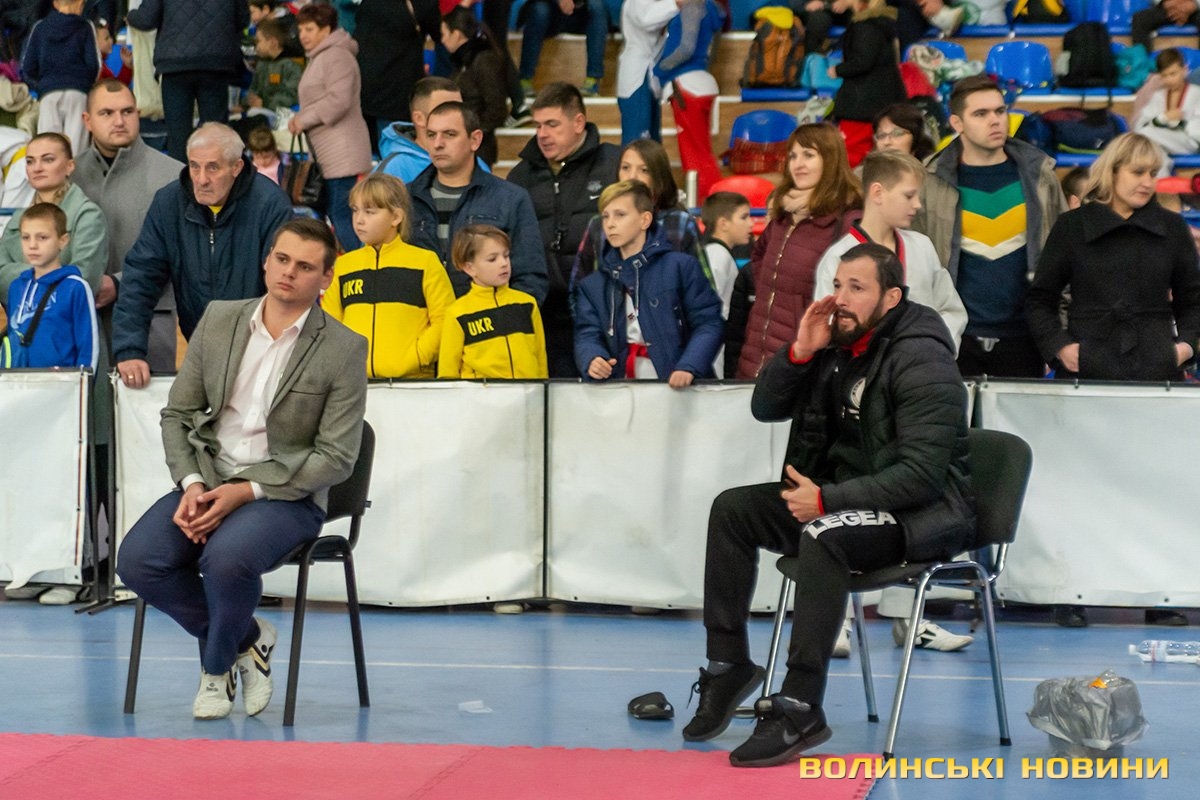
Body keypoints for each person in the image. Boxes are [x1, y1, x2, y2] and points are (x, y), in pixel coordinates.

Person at [683, 242, 973, 767]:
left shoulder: (923, 356)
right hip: (841, 499)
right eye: (838, 285)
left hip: (918, 516)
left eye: (856, 288)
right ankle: (728, 665)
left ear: (891, 298)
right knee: (732, 510)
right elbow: (765, 407)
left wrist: (826, 499)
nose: (840, 298)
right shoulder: (837, 345)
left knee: (823, 534)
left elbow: (922, 476)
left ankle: (800, 705)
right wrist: (800, 351)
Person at [115, 217, 368, 720]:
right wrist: (191, 484)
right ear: (266, 260)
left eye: (305, 267)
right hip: (208, 480)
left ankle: (215, 670)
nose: (288, 272)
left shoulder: (344, 348)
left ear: (326, 278)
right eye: (282, 259)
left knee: (226, 559)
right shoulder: (220, 318)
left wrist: (246, 491)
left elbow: (337, 456)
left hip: (285, 495)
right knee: (138, 561)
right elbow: (178, 414)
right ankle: (249, 639)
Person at [1028, 133, 1200, 630]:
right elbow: (1040, 299)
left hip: (1156, 370)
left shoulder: (1172, 228)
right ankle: (1071, 592)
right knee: (1082, 483)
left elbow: (1195, 301)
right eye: (1138, 172)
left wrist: (1185, 347)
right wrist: (1061, 347)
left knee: (1154, 483)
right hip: (1089, 366)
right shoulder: (1073, 226)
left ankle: (1161, 593)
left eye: (1153, 173)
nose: (1147, 182)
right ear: (1113, 171)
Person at [112, 122, 293, 389]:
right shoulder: (168, 203)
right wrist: (130, 349)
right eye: (194, 166)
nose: (201, 179)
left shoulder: (270, 204)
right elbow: (141, 276)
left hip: (262, 353)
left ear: (237, 167)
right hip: (201, 350)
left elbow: (285, 286)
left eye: (213, 168)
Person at [911, 75, 1066, 380]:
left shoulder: (1040, 175)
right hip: (953, 337)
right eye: (980, 114)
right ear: (957, 123)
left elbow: (1064, 256)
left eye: (999, 111)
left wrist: (1057, 331)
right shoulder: (930, 181)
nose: (995, 121)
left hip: (1025, 336)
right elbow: (917, 263)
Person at [506, 82, 619, 377]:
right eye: (538, 125)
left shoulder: (615, 165)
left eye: (552, 124)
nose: (542, 134)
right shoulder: (520, 177)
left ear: (578, 122)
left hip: (602, 313)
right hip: (542, 316)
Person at [734, 123, 863, 380]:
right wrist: (774, 292)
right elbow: (759, 257)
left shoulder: (847, 220)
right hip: (755, 360)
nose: (798, 164)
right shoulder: (783, 215)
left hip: (803, 366)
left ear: (831, 159)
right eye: (793, 156)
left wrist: (799, 307)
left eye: (808, 155)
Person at [75, 78, 184, 373]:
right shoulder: (68, 175)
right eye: (107, 113)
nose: (119, 121)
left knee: (146, 402)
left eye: (127, 111)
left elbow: (181, 253)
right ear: (87, 120)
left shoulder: (174, 176)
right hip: (78, 316)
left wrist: (119, 283)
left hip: (152, 316)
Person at [573, 180, 723, 385]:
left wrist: (689, 365)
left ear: (645, 220)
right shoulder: (593, 284)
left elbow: (709, 323)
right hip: (618, 390)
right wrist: (593, 358)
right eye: (605, 216)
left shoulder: (681, 267)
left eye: (620, 215)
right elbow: (587, 333)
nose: (610, 224)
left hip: (680, 388)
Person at [407, 102, 549, 303]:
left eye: (449, 134)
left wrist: (502, 319)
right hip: (420, 320)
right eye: (431, 135)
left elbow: (530, 278)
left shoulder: (510, 198)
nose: (437, 143)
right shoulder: (404, 198)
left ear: (475, 140)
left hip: (488, 320)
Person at [322, 173, 455, 378]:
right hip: (355, 384)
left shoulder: (425, 262)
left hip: (411, 384)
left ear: (396, 217)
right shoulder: (343, 266)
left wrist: (418, 356)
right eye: (355, 210)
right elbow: (330, 324)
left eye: (370, 212)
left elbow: (445, 320)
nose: (359, 220)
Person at [287, 3, 372, 253]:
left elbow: (339, 100)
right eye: (301, 29)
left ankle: (361, 264)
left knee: (340, 213)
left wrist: (303, 119)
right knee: (336, 213)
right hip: (330, 153)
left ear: (326, 29)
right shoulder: (322, 56)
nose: (303, 35)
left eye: (310, 29)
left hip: (342, 152)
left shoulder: (337, 56)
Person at [571, 138, 710, 286]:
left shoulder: (680, 224)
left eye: (644, 170)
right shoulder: (599, 224)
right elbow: (578, 286)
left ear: (658, 177)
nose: (632, 177)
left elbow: (703, 288)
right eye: (625, 168)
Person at [127, 0, 248, 162]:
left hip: (175, 65)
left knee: (178, 137)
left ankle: (180, 176)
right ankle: (215, 175)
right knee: (216, 135)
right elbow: (243, 18)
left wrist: (130, 16)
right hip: (215, 63)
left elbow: (146, 20)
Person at [0, 133, 107, 303]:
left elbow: (83, 281)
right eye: (30, 161)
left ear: (70, 166)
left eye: (48, 160)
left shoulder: (87, 215)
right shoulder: (18, 218)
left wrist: (23, 277)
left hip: (65, 319)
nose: (37, 168)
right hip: (19, 317)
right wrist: (50, 273)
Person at [438, 224, 549, 378]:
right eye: (492, 259)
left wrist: (542, 390)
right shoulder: (457, 313)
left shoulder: (527, 304)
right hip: (481, 393)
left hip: (528, 392)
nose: (503, 263)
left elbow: (540, 359)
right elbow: (447, 372)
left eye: (506, 255)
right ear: (469, 268)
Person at [2, 203, 97, 370]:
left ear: (63, 241)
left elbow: (89, 347)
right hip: (19, 381)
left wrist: (83, 383)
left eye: (42, 237)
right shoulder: (16, 287)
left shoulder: (75, 287)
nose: (32, 245)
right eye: (26, 237)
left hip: (62, 382)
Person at [653, 0, 725, 199]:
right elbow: (711, 49)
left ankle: (706, 202)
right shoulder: (712, 9)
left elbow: (686, 48)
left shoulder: (693, 6)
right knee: (701, 151)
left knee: (693, 154)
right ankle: (712, 200)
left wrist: (658, 70)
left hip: (687, 84)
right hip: (701, 81)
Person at [355, 0, 441, 154]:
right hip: (397, 92)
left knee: (370, 156)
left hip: (363, 88)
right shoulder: (422, 4)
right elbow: (440, 33)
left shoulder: (369, 3)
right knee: (396, 154)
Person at [829, 0, 907, 168]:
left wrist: (838, 70)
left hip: (861, 105)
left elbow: (863, 61)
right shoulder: (883, 24)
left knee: (851, 157)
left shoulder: (865, 26)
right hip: (881, 102)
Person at [20, 0, 99, 154]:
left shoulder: (40, 27)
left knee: (48, 147)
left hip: (49, 94)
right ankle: (75, 171)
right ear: (81, 3)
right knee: (77, 149)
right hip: (78, 93)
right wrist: (85, 85)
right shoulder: (86, 27)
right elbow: (93, 65)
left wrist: (42, 86)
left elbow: (28, 67)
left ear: (55, 4)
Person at [441, 5, 516, 168]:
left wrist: (470, 135)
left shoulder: (484, 60)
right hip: (466, 147)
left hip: (478, 151)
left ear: (457, 34)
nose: (442, 40)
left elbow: (497, 109)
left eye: (444, 34)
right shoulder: (463, 61)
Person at [375, 77, 476, 185]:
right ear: (419, 118)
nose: (457, 115)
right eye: (443, 110)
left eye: (460, 108)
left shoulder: (473, 162)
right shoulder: (392, 171)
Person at [700, 191, 754, 378]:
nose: (751, 224)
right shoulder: (717, 256)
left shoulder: (717, 254)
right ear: (723, 223)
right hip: (714, 348)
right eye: (744, 217)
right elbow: (708, 306)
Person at [616, 0, 679, 144]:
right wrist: (676, 4)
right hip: (637, 75)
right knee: (637, 143)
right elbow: (647, 19)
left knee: (653, 143)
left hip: (650, 74)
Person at [517, 0, 608, 98]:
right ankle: (524, 80)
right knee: (539, 10)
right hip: (548, 13)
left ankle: (592, 80)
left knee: (596, 7)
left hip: (578, 11)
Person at [1134, 49, 1200, 174]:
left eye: (1173, 74)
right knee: (1157, 154)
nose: (1169, 79)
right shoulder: (1158, 96)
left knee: (1146, 134)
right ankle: (1163, 181)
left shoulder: (1197, 94)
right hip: (1162, 142)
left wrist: (1171, 123)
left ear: (1184, 70)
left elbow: (1197, 133)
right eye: (1164, 76)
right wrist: (1164, 117)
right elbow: (1139, 126)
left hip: (1190, 144)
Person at [246, 18, 302, 113]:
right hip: (259, 111)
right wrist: (248, 102)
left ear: (273, 42)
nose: (256, 46)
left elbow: (292, 96)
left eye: (258, 41)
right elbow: (254, 89)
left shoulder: (292, 65)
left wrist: (264, 104)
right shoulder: (262, 64)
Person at [872, 103, 937, 162]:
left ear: (916, 138)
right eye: (881, 135)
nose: (886, 142)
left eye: (897, 133)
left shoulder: (935, 168)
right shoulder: (869, 170)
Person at [1132, 0, 1200, 53]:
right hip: (1168, 6)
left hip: (1196, 8)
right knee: (1139, 19)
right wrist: (1167, 2)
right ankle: (1142, 64)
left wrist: (1195, 4)